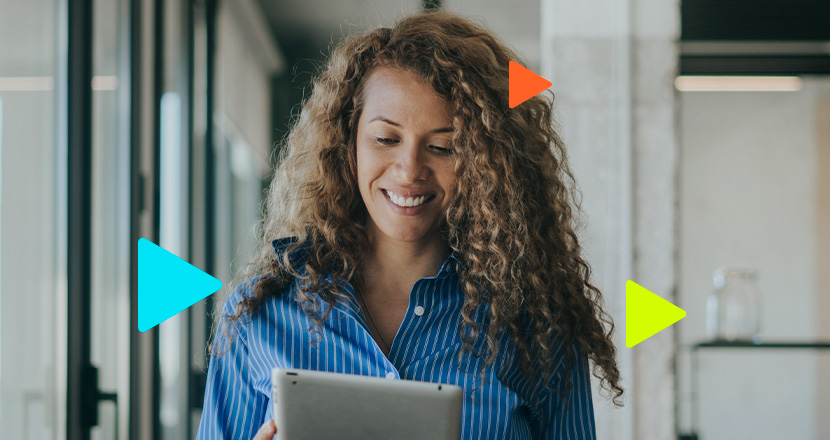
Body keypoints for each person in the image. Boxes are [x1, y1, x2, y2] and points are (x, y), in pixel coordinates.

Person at [196, 10, 623, 440]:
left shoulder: (535, 325)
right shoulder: (259, 312)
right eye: (386, 139)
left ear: (484, 162)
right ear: (348, 142)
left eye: (443, 147)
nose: (409, 170)